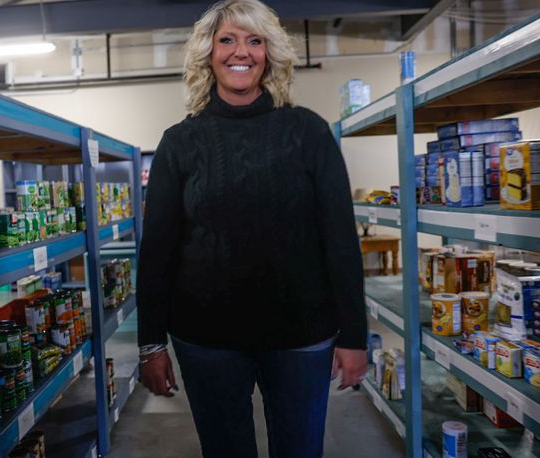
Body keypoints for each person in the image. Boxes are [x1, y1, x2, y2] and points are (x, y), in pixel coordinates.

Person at [137, 1, 368, 457]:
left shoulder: (309, 132)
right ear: (208, 53)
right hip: (206, 339)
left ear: (269, 53)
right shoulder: (179, 143)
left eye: (254, 40)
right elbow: (157, 252)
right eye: (227, 39)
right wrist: (150, 344)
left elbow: (340, 241)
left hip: (301, 336)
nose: (240, 52)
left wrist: (355, 336)